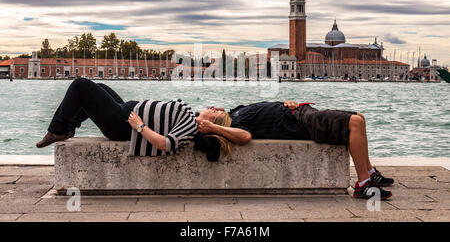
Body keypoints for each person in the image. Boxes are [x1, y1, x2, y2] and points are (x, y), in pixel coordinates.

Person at [196, 101, 394, 200]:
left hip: (300, 112)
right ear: (210, 121)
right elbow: (245, 137)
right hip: (300, 122)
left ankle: (370, 173)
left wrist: (286, 103)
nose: (212, 107)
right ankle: (363, 185)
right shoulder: (235, 124)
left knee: (359, 116)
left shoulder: (234, 112)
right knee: (356, 123)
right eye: (208, 110)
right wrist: (211, 127)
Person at [36, 78, 231, 156]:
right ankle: (69, 127)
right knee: (99, 88)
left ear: (210, 122)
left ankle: (57, 130)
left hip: (122, 124)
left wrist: (140, 127)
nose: (213, 107)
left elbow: (167, 144)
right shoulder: (191, 117)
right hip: (125, 111)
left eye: (216, 112)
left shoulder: (190, 126)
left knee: (81, 85)